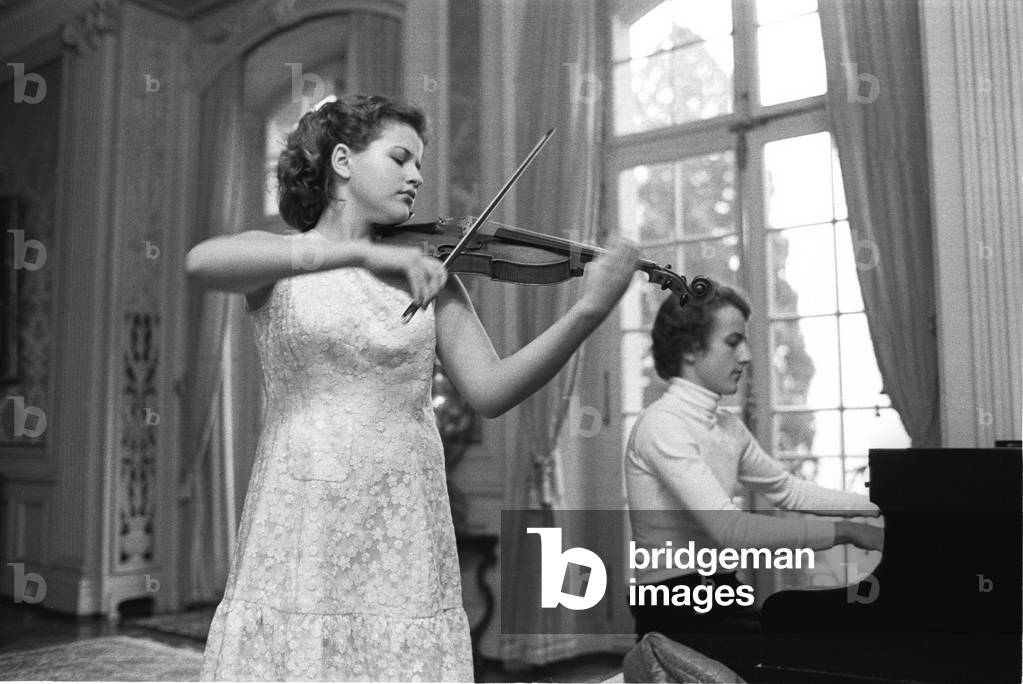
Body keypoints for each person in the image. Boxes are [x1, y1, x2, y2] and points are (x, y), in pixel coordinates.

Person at [186, 94, 639, 681]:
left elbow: (492, 390)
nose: (417, 175)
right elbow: (201, 262)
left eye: (419, 164)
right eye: (401, 157)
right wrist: (359, 254)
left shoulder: (429, 273)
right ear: (343, 161)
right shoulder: (280, 257)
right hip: (304, 505)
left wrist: (587, 313)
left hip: (404, 504)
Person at [625, 285, 883, 682]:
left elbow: (787, 489)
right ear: (692, 349)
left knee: (829, 646)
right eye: (733, 342)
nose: (745, 356)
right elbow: (731, 530)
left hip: (722, 596)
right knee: (806, 663)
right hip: (674, 611)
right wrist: (846, 531)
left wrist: (877, 507)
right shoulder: (662, 425)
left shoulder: (727, 426)